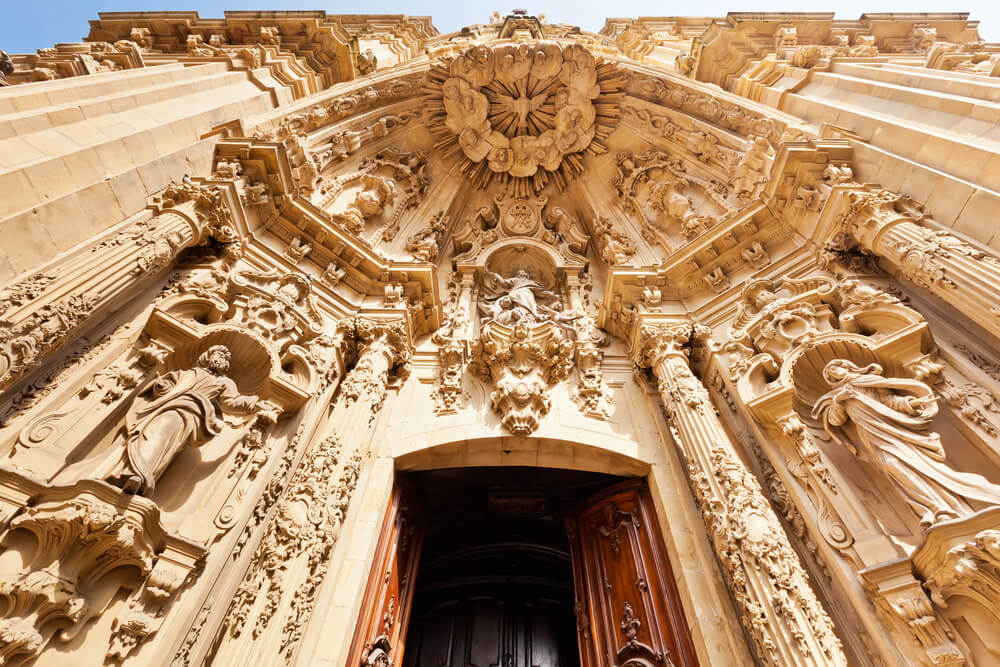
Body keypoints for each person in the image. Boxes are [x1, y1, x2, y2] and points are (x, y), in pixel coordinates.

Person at [813, 359, 1000, 528]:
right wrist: (838, 402)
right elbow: (836, 421)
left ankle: (946, 507)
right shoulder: (837, 397)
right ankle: (935, 509)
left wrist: (914, 403)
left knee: (923, 468)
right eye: (828, 373)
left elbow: (891, 401)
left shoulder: (869, 380)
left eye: (833, 368)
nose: (831, 373)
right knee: (892, 466)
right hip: (873, 437)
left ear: (846, 366)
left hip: (895, 431)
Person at [61, 345, 267, 495]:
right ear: (208, 355)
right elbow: (164, 386)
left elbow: (232, 402)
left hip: (190, 415)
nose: (222, 358)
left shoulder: (224, 382)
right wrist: (160, 384)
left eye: (225, 356)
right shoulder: (187, 373)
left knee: (164, 443)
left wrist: (253, 403)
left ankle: (141, 475)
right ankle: (127, 472)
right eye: (219, 353)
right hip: (167, 408)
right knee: (148, 435)